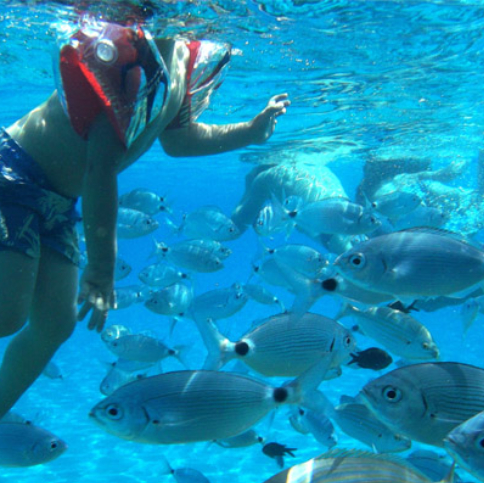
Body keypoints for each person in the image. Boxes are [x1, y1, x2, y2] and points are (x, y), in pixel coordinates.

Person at [0, 18, 290, 419]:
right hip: (15, 173)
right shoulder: (125, 55)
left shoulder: (179, 61)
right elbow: (99, 169)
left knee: (55, 325)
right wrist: (101, 268)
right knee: (6, 315)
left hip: (59, 200)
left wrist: (250, 132)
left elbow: (179, 139)